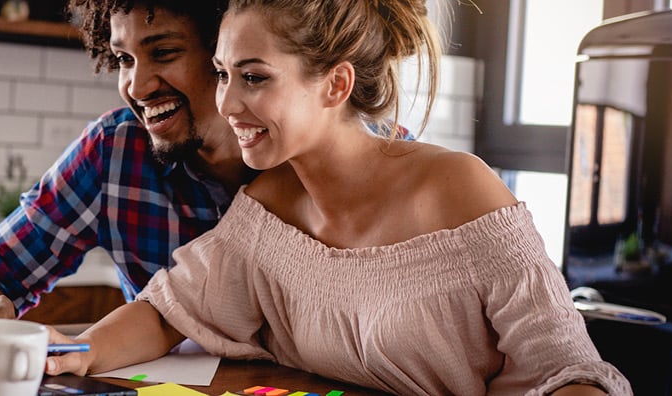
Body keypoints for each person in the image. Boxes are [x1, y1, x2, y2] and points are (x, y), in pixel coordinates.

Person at [43, 0, 632, 394]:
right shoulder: (267, 208)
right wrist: (80, 350)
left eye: (254, 77)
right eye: (222, 74)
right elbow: (169, 312)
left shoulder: (459, 191)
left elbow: (569, 371)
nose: (225, 104)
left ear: (336, 84)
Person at [0, 0, 249, 353]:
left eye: (163, 52)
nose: (137, 87)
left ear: (226, 52)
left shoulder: (294, 159)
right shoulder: (113, 151)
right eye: (124, 60)